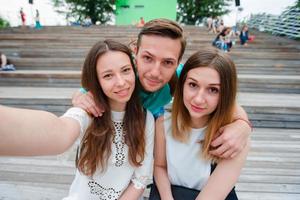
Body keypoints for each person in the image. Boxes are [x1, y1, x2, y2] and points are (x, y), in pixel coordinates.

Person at [73, 18, 251, 159]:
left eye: (167, 62)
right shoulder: (122, 75)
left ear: (178, 62)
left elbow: (231, 105)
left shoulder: (180, 76)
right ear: (135, 52)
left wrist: (243, 126)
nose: (155, 73)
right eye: (148, 58)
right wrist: (79, 99)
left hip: (150, 122)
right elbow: (82, 94)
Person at [0, 40, 155, 199]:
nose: (121, 82)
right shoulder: (87, 112)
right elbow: (60, 132)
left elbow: (140, 179)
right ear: (97, 81)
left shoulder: (146, 119)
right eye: (108, 75)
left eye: (125, 70)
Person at [151, 48, 250, 200]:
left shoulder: (232, 139)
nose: (198, 99)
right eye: (193, 85)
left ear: (225, 94)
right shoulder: (163, 123)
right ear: (182, 85)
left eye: (213, 90)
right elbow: (160, 166)